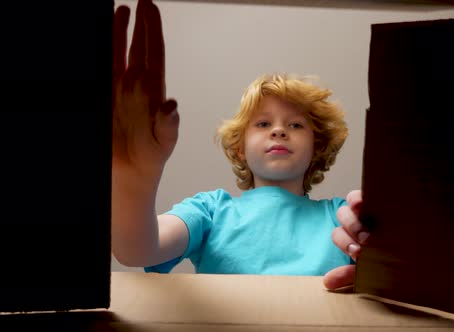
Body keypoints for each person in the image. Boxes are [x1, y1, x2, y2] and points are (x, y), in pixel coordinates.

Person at [111, 0, 367, 290]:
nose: (279, 131)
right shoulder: (211, 210)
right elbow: (136, 250)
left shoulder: (341, 216)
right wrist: (136, 181)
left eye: (295, 125)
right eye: (263, 124)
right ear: (240, 149)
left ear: (317, 147)